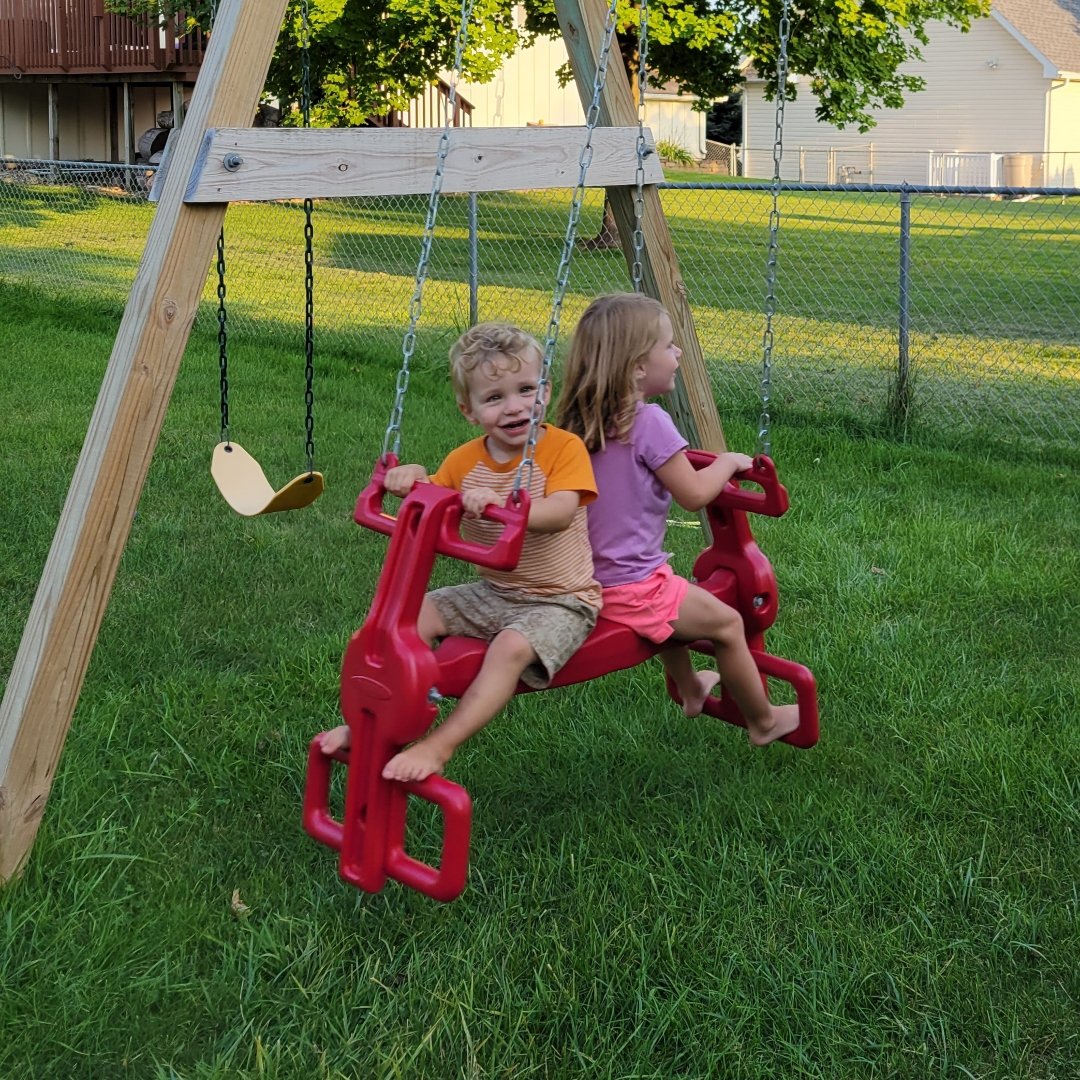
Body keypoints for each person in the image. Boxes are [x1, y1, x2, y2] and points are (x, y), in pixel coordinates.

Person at [319, 322, 602, 780]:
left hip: (561, 599)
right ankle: (369, 723)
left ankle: (439, 746)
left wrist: (502, 506)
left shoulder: (562, 448)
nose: (514, 407)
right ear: (468, 410)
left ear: (545, 392)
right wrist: (408, 478)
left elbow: (561, 513)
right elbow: (429, 499)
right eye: (494, 398)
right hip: (495, 591)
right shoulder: (464, 460)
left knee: (510, 648)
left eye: (525, 389)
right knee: (405, 616)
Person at [556, 293, 799, 746]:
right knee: (725, 624)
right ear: (636, 368)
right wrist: (726, 463)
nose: (678, 352)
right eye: (669, 346)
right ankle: (764, 722)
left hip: (586, 577)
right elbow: (694, 494)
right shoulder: (648, 422)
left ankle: (690, 689)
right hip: (631, 585)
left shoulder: (579, 422)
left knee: (673, 594)